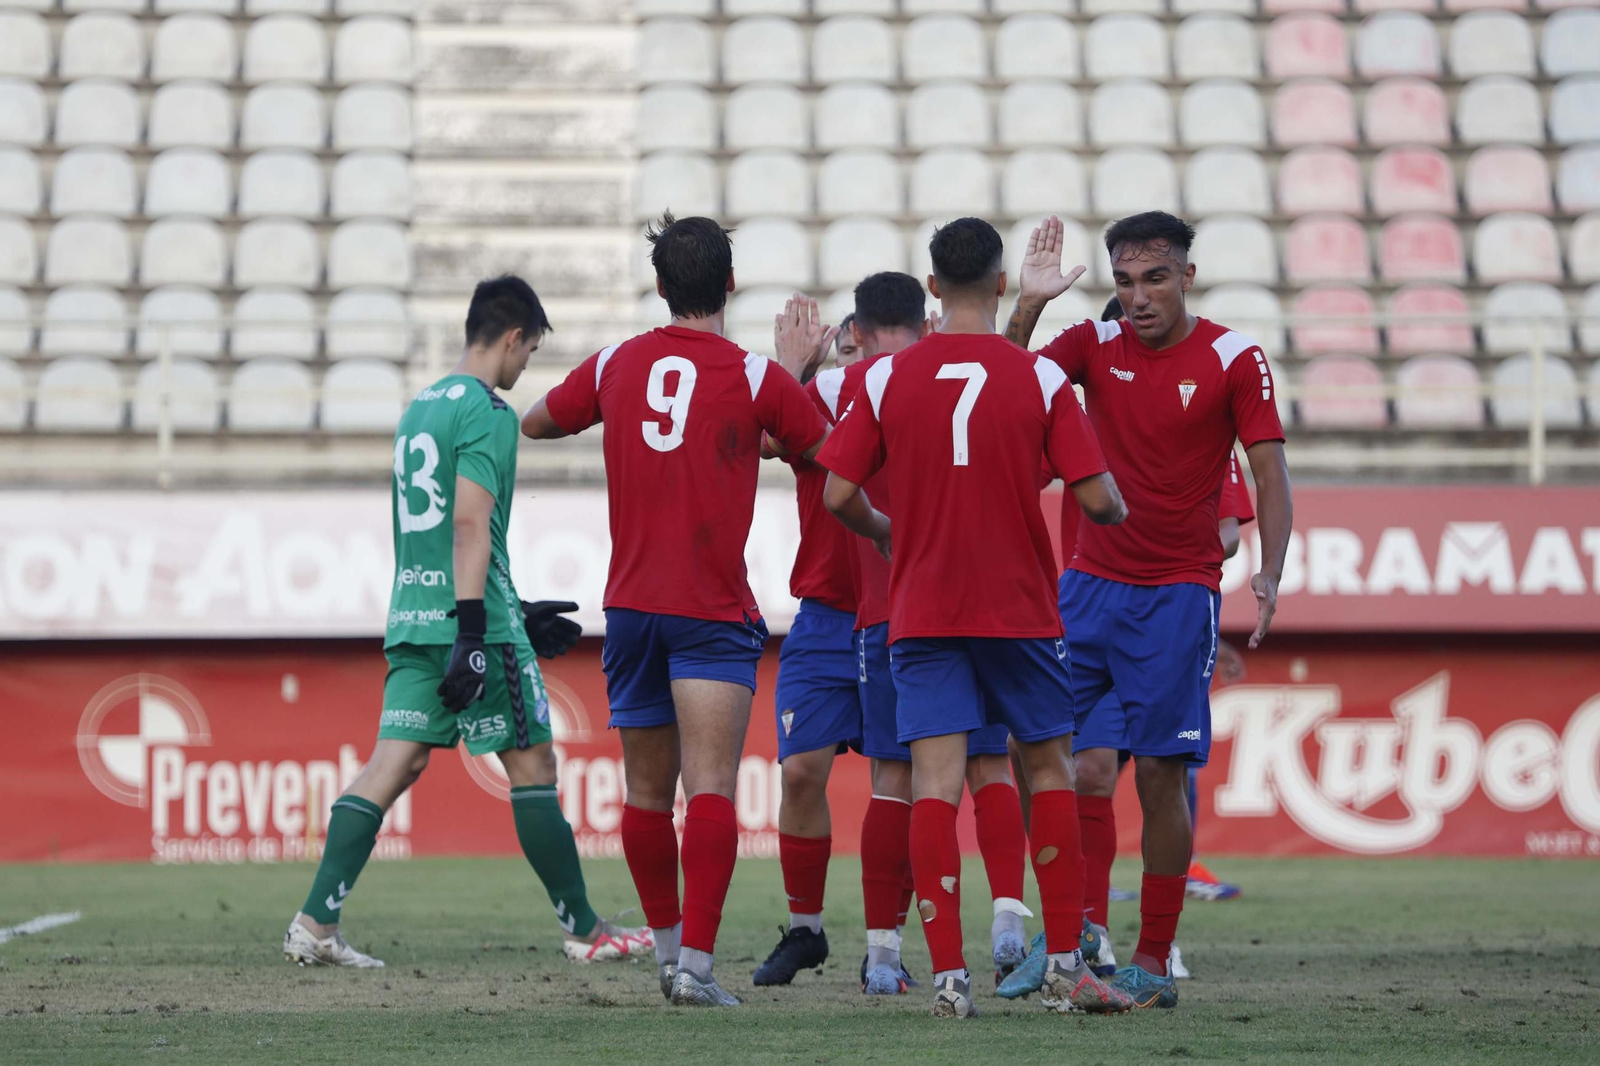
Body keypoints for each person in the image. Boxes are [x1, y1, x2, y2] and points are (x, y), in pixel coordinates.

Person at [283, 276, 651, 970]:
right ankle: (584, 930)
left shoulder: (419, 408)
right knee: (534, 764)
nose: (525, 366)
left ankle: (316, 923)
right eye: (530, 351)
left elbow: (436, 532)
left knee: (393, 762)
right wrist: (480, 629)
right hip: (471, 627)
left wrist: (512, 604)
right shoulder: (489, 411)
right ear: (513, 338)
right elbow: (468, 523)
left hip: (413, 616)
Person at [818, 219, 1132, 1019]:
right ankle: (1064, 965)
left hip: (923, 608)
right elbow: (1098, 500)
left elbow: (837, 492)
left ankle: (951, 980)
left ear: (932, 288)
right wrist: (1113, 501)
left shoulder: (885, 380)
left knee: (934, 783)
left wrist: (885, 531)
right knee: (1048, 769)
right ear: (1000, 285)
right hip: (1019, 608)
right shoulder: (1040, 379)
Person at [519, 214, 833, 1007]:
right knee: (713, 789)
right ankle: (696, 967)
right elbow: (823, 450)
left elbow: (538, 420)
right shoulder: (756, 376)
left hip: (631, 607)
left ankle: (666, 956)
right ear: (730, 284)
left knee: (647, 795)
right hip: (710, 609)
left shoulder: (618, 361)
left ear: (660, 286)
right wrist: (793, 377)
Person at [1003, 211, 1293, 1009]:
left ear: (1186, 277)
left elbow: (1268, 470)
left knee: (1161, 776)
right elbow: (1005, 381)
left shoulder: (1234, 357)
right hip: (1085, 589)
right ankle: (1069, 937)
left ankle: (1155, 959)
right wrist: (1028, 305)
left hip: (1176, 593)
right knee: (1037, 751)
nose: (1138, 297)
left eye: (1155, 279)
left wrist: (1270, 570)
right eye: (1125, 282)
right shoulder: (1093, 346)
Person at [753, 274, 1031, 994]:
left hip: (904, 606)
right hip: (841, 609)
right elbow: (767, 438)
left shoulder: (864, 387)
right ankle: (816, 929)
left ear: (857, 333)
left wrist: (794, 373)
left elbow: (774, 444)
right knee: (811, 771)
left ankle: (895, 948)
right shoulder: (838, 388)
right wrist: (792, 374)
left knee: (908, 777)